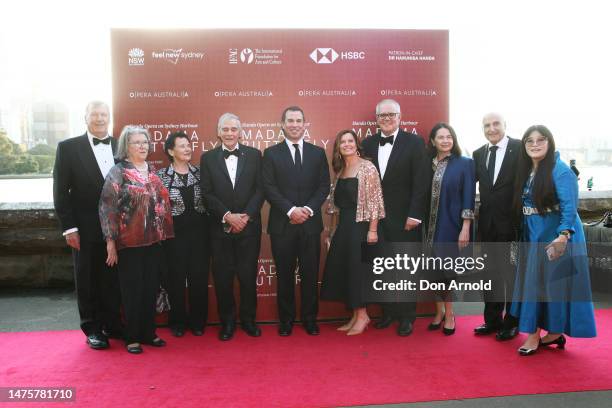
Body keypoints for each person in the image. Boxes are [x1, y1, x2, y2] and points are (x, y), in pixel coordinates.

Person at [510, 125, 596, 355]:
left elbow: (570, 207)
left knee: (548, 285)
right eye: (529, 141)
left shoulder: (560, 170)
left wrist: (563, 236)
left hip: (553, 233)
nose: (535, 144)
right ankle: (554, 333)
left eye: (541, 140)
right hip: (533, 232)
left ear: (550, 142)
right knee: (541, 284)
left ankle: (533, 335)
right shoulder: (528, 168)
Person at [52, 101, 122, 350]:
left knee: (112, 278)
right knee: (87, 278)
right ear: (85, 117)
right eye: (95, 114)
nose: (100, 118)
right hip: (84, 226)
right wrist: (69, 228)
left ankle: (113, 325)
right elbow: (60, 191)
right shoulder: (68, 148)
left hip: (115, 228)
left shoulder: (119, 146)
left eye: (104, 114)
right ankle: (92, 328)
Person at [99, 126, 174, 354]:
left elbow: (161, 204)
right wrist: (110, 242)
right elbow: (107, 207)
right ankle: (131, 337)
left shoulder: (152, 170)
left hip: (153, 241)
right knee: (132, 290)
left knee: (150, 288)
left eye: (145, 142)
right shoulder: (118, 171)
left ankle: (148, 333)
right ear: (126, 147)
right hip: (129, 243)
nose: (142, 146)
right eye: (136, 143)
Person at [361, 99, 427, 336]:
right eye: (382, 116)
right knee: (382, 268)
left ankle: (407, 317)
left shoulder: (415, 142)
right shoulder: (367, 144)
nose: (386, 119)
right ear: (376, 119)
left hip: (406, 219)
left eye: (391, 114)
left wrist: (415, 215)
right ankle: (388, 313)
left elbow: (422, 182)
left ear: (400, 116)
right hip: (376, 220)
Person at [262, 106, 330, 336]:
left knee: (310, 274)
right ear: (282, 124)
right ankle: (286, 320)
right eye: (289, 120)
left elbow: (323, 187)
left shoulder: (318, 153)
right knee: (284, 275)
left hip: (311, 225)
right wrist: (291, 211)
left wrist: (308, 210)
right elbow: (269, 188)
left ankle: (310, 319)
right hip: (282, 225)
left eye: (298, 120)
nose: (294, 124)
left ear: (304, 124)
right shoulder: (270, 154)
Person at [200, 113, 265, 341]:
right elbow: (207, 193)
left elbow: (261, 190)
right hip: (220, 230)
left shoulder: (256, 155)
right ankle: (227, 322)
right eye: (225, 129)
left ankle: (248, 321)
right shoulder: (207, 159)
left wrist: (245, 217)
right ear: (218, 132)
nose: (229, 133)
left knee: (248, 277)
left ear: (240, 131)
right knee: (223, 278)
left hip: (249, 228)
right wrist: (228, 216)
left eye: (233, 129)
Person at [321, 130, 385, 335]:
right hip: (344, 228)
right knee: (347, 272)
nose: (347, 145)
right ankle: (355, 315)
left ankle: (364, 315)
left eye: (350, 141)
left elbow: (375, 201)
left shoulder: (367, 167)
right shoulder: (340, 170)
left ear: (357, 144)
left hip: (362, 227)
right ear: (338, 148)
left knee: (358, 272)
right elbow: (335, 207)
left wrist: (372, 230)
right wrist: (331, 233)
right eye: (342, 142)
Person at [472, 113, 522, 341]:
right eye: (486, 125)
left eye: (495, 124)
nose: (491, 129)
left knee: (511, 276)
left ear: (505, 125)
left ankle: (512, 323)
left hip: (513, 227)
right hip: (487, 227)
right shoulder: (478, 154)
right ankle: (492, 321)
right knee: (489, 275)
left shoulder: (520, 148)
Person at [422, 123, 475, 336]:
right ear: (433, 141)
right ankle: (438, 311)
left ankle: (450, 313)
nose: (445, 140)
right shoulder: (426, 164)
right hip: (426, 227)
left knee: (447, 271)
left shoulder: (465, 164)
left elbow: (468, 197)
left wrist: (465, 227)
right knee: (431, 271)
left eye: (449, 136)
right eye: (440, 137)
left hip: (451, 226)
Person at [157, 131, 211, 338]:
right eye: (182, 146)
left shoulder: (200, 173)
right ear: (171, 151)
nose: (188, 149)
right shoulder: (160, 176)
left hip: (200, 236)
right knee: (175, 280)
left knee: (198, 279)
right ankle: (177, 322)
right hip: (173, 238)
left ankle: (198, 322)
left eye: (189, 145)